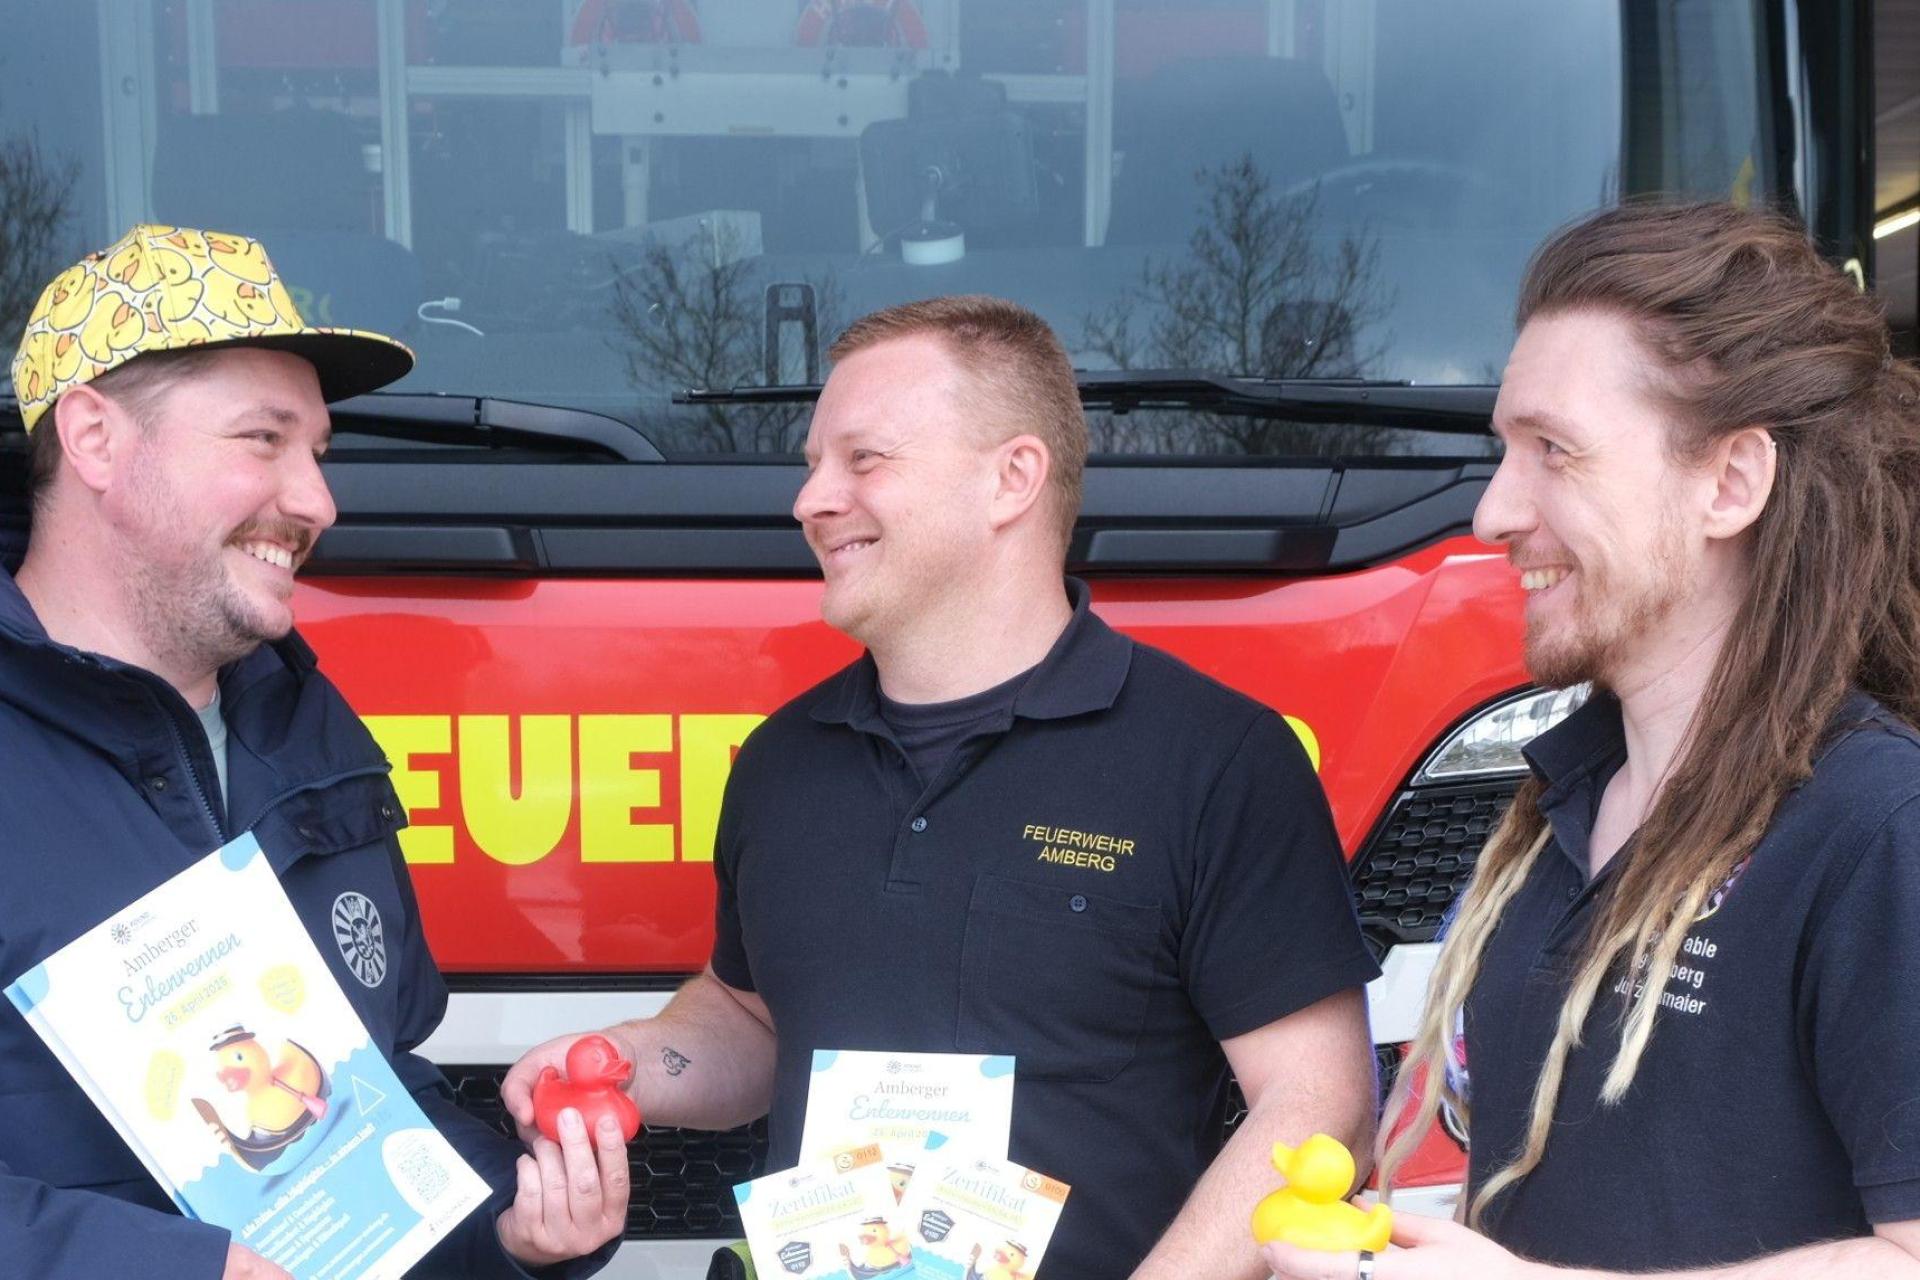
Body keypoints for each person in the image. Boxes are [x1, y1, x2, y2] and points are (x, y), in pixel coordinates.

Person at [504, 295, 1381, 1278]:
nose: (811, 500)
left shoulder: (1216, 759)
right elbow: (753, 1017)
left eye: (863, 460)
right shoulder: (782, 762)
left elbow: (1319, 1096)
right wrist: (631, 1061)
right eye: (811, 467)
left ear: (1012, 477)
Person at [1266, 201, 1920, 1280]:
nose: (1490, 511)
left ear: (1731, 483)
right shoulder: (1552, 814)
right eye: (1502, 450)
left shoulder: (1877, 825)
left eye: (1553, 451)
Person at [0, 225, 628, 1280]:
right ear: (96, 439)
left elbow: (375, 1101)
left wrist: (507, 1228)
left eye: (320, 454)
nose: (318, 503)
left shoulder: (311, 734)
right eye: (262, 440)